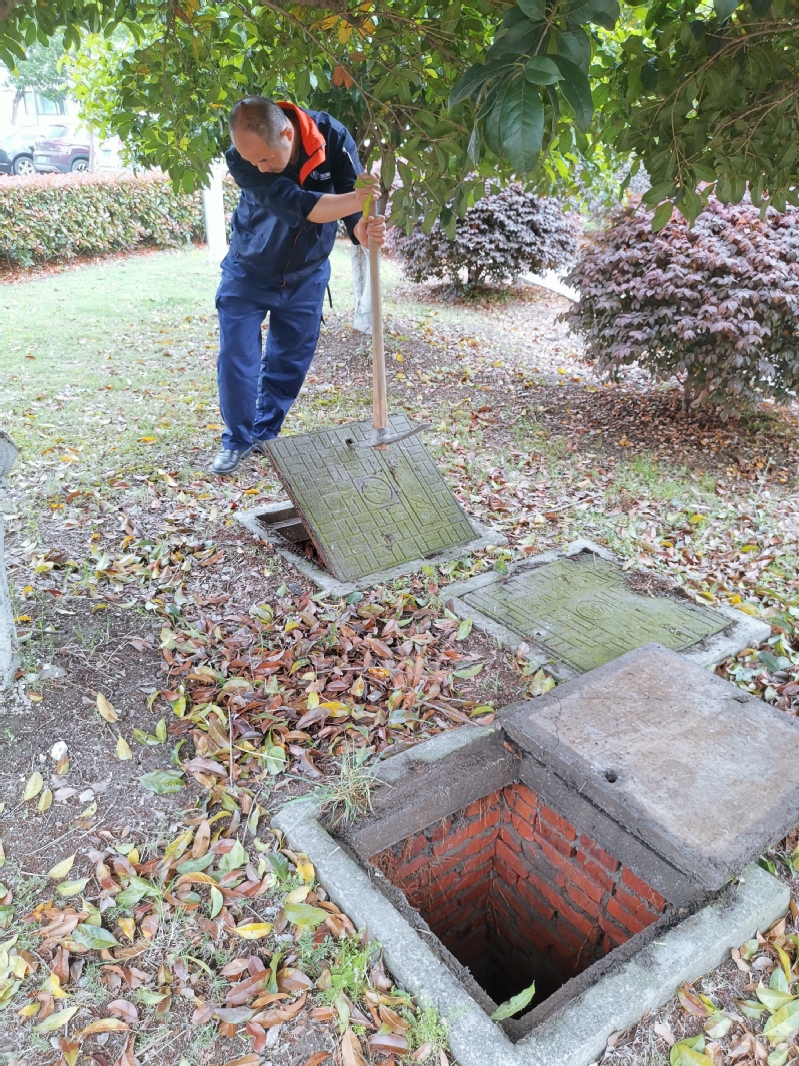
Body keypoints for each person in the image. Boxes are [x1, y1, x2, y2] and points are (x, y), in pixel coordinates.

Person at [212, 96, 385, 475]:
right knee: (237, 357)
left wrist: (363, 229)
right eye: (253, 162)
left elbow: (354, 208)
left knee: (289, 361)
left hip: (307, 273)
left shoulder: (333, 138)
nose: (259, 167)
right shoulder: (241, 158)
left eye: (265, 159)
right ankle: (237, 440)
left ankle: (265, 433)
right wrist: (355, 199)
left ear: (287, 135)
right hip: (250, 268)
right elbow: (300, 205)